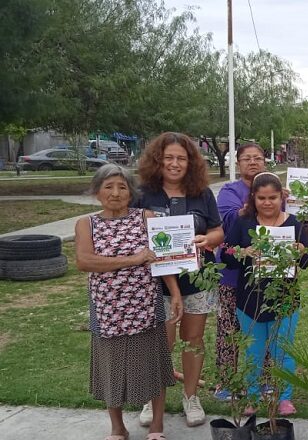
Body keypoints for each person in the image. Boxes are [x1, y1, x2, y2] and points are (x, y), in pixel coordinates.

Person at [75, 164, 184, 440]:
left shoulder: (146, 217)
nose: (115, 193)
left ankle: (157, 425)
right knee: (110, 369)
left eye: (122, 187)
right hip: (107, 310)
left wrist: (175, 293)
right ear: (96, 192)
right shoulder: (86, 224)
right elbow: (84, 261)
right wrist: (133, 259)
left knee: (155, 365)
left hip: (146, 307)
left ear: (131, 192)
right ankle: (117, 427)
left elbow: (164, 257)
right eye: (108, 187)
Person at [134, 132, 224, 427]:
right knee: (162, 342)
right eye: (169, 158)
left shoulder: (201, 193)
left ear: (191, 162)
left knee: (193, 340)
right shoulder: (143, 194)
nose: (175, 164)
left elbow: (218, 232)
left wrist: (206, 238)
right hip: (157, 283)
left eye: (181, 158)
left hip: (198, 280)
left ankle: (190, 397)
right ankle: (152, 398)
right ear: (158, 160)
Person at [221, 173, 308, 417]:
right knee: (254, 351)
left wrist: (301, 250)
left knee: (283, 349)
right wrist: (243, 251)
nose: (267, 202)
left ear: (282, 197)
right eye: (261, 198)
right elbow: (226, 256)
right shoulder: (244, 223)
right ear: (254, 198)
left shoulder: (294, 223)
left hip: (285, 299)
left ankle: (284, 398)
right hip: (250, 299)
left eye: (273, 197)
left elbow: (306, 260)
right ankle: (251, 395)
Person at [214, 143, 267, 400]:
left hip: (266, 273)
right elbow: (231, 220)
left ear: (265, 162)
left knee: (264, 327)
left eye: (258, 158)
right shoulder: (229, 191)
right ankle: (227, 382)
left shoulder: (274, 190)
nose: (253, 162)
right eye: (247, 158)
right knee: (229, 328)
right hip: (233, 273)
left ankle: (263, 380)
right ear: (238, 163)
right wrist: (262, 201)